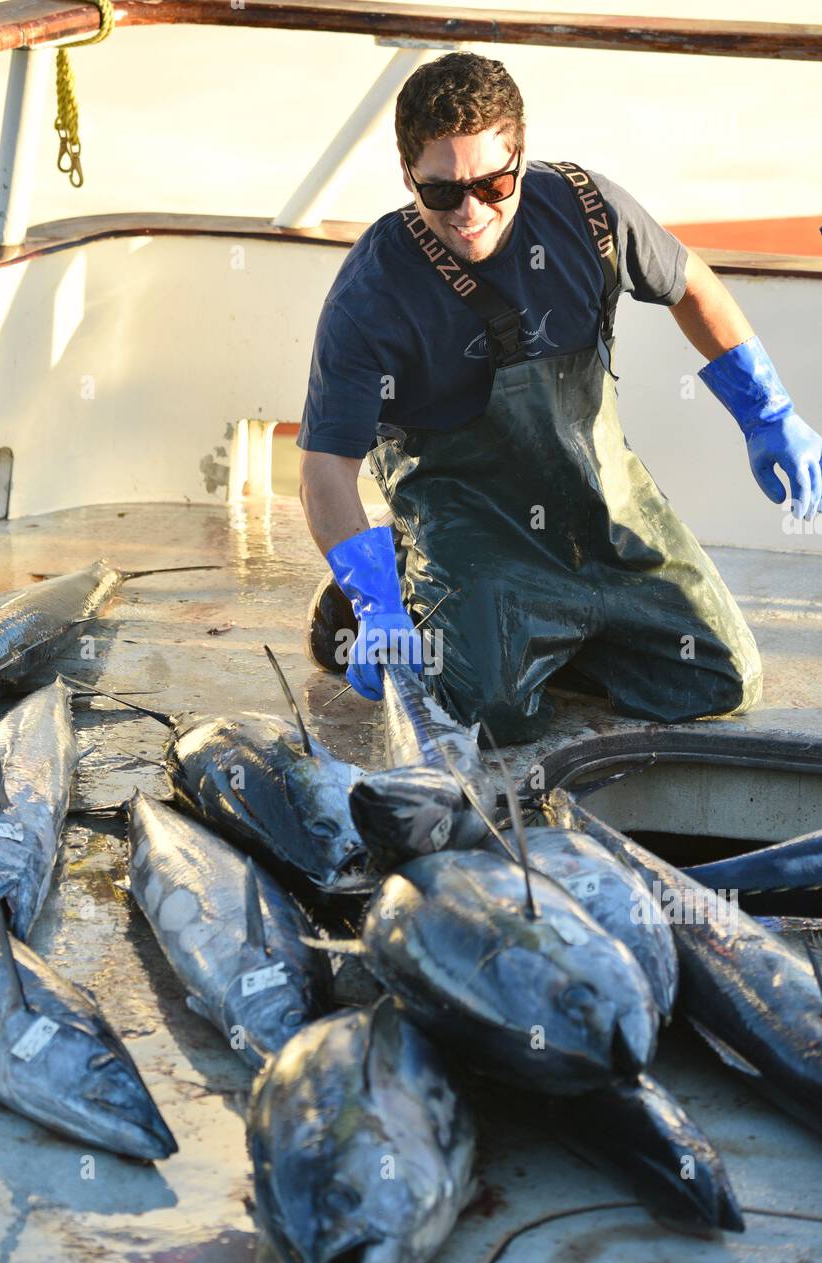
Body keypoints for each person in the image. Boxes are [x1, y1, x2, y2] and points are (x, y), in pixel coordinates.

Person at [296, 51, 821, 744]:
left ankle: (551, 634)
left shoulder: (586, 208)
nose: (470, 211)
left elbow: (690, 281)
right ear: (406, 176)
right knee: (484, 713)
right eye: (442, 192)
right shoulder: (372, 291)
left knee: (717, 680)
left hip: (603, 506)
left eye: (493, 182)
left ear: (520, 156)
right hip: (474, 527)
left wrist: (767, 412)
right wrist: (375, 607)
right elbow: (323, 471)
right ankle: (407, 584)